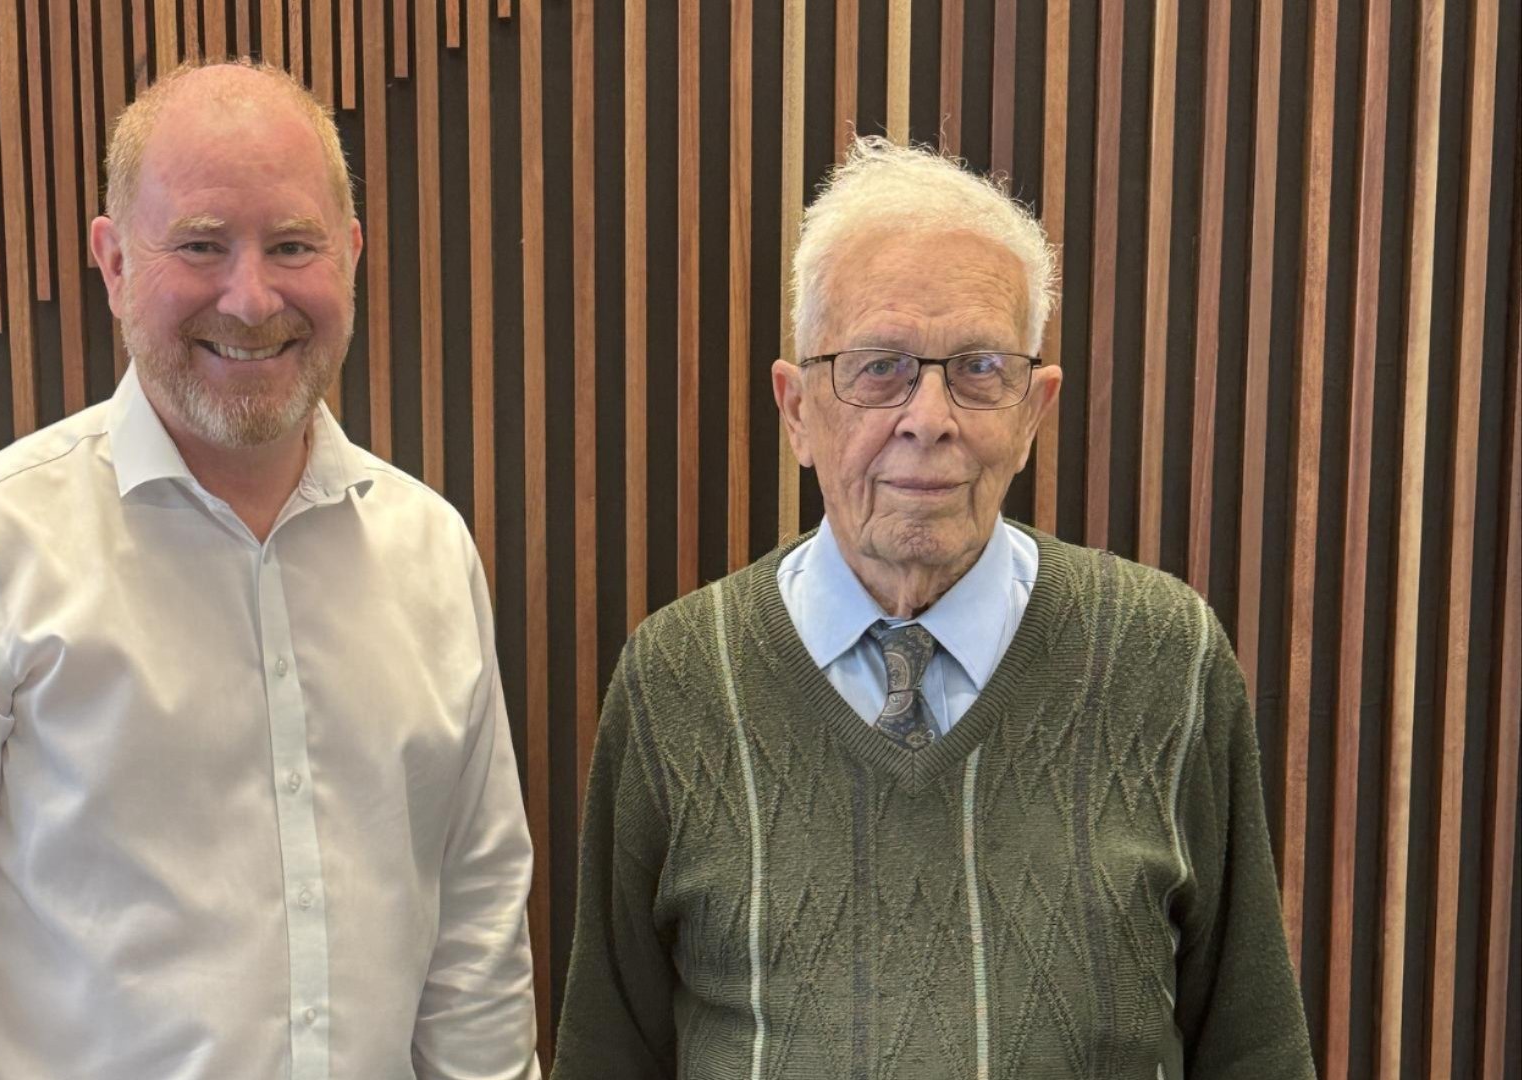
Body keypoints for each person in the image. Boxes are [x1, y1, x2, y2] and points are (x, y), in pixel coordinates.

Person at [0, 60, 540, 1080]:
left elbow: (476, 935)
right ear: (113, 263)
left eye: (293, 245)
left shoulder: (431, 553)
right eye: (200, 245)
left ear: (352, 256)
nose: (251, 297)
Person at [552, 137, 1315, 1079]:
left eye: (979, 368)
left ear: (1034, 412)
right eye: (879, 367)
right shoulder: (676, 677)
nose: (928, 417)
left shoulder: (1166, 657)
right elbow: (608, 1050)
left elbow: (1253, 1046)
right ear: (797, 410)